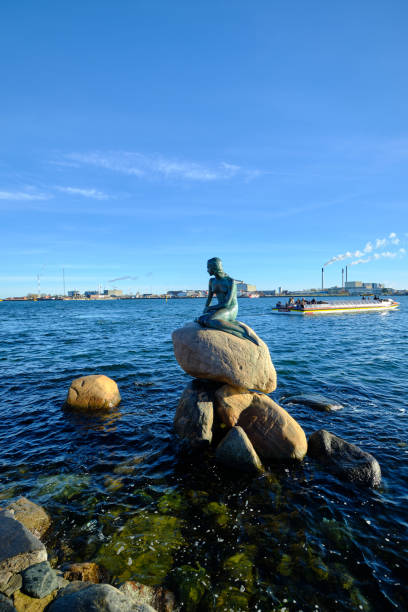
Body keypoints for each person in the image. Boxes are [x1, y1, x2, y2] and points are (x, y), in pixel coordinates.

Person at [196, 257, 258, 345]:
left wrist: (210, 308)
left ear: (215, 267)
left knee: (210, 321)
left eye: (208, 267)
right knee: (200, 319)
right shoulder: (211, 281)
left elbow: (227, 303)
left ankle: (243, 331)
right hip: (219, 308)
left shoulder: (230, 282)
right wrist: (206, 308)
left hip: (230, 308)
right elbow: (209, 297)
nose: (207, 270)